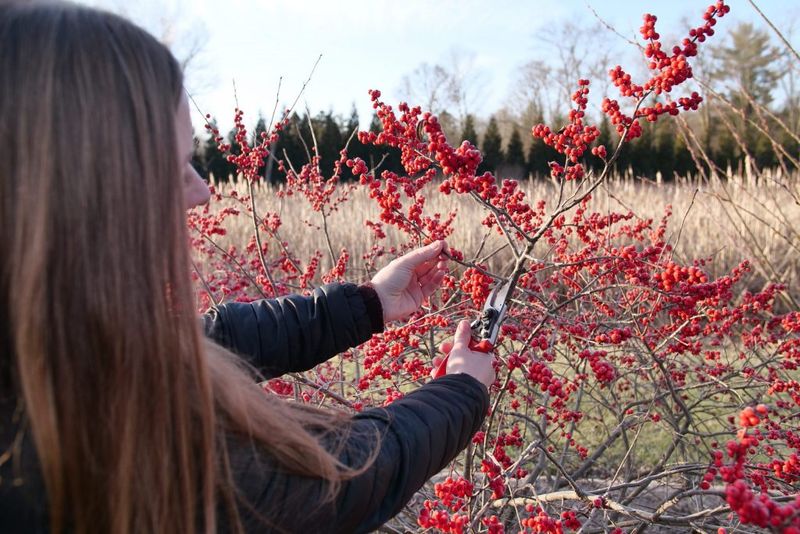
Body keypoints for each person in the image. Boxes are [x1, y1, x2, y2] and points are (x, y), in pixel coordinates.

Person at [0, 2, 496, 533]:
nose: (202, 191)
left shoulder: (53, 357)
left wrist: (368, 303)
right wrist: (461, 391)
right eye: (176, 165)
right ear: (89, 195)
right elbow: (335, 484)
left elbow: (211, 339)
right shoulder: (127, 438)